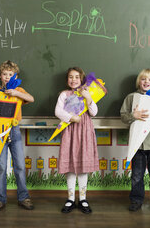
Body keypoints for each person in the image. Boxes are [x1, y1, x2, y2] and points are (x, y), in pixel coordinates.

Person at [0, 60, 34, 212]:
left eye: (11, 75)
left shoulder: (19, 90)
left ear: (15, 76)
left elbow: (31, 98)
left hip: (14, 131)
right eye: (5, 74)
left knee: (20, 166)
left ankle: (24, 197)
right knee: (1, 166)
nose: (8, 77)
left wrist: (16, 92)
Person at [120, 68, 150, 214]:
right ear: (138, 82)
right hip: (137, 145)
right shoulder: (131, 97)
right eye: (143, 79)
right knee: (136, 175)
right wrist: (133, 115)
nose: (146, 82)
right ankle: (136, 201)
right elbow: (123, 116)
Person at [55, 67, 99, 214]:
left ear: (82, 79)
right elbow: (58, 111)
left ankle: (83, 198)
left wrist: (88, 98)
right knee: (71, 165)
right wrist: (71, 118)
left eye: (76, 77)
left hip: (84, 131)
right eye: (70, 77)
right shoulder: (64, 94)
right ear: (67, 79)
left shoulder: (87, 93)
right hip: (69, 130)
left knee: (83, 165)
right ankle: (70, 198)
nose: (73, 80)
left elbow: (93, 112)